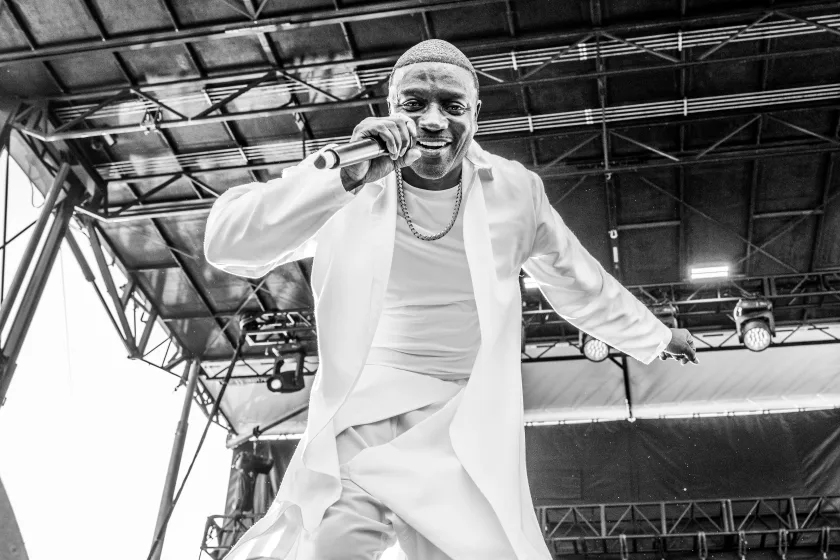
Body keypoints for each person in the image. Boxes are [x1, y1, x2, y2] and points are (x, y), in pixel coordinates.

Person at [204, 39, 697, 560]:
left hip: (459, 422)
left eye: (452, 105)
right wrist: (338, 180)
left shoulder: (515, 191)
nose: (434, 120)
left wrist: (657, 335)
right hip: (361, 413)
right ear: (391, 108)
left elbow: (578, 280)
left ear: (476, 113)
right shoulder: (351, 177)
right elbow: (228, 241)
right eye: (414, 104)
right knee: (329, 548)